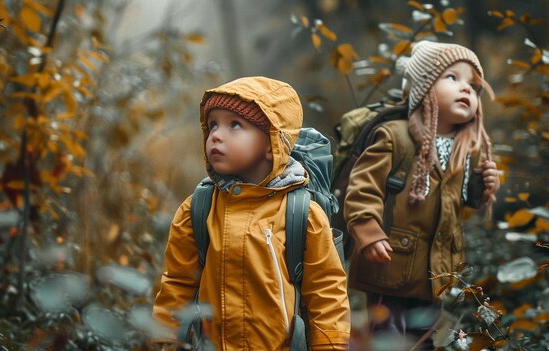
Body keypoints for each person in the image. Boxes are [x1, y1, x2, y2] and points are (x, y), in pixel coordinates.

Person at [153, 76, 350, 350]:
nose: (216, 135)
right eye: (212, 125)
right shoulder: (198, 208)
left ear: (272, 143)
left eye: (235, 125)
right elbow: (177, 281)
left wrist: (330, 345)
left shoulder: (302, 214)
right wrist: (166, 339)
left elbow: (326, 292)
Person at [344, 41, 500, 347]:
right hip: (390, 263)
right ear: (423, 87)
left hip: (435, 270)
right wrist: (368, 232)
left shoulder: (465, 148)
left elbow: (461, 199)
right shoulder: (394, 137)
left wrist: (483, 186)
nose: (466, 90)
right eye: (453, 78)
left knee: (426, 338)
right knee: (387, 336)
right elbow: (363, 188)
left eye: (473, 85)